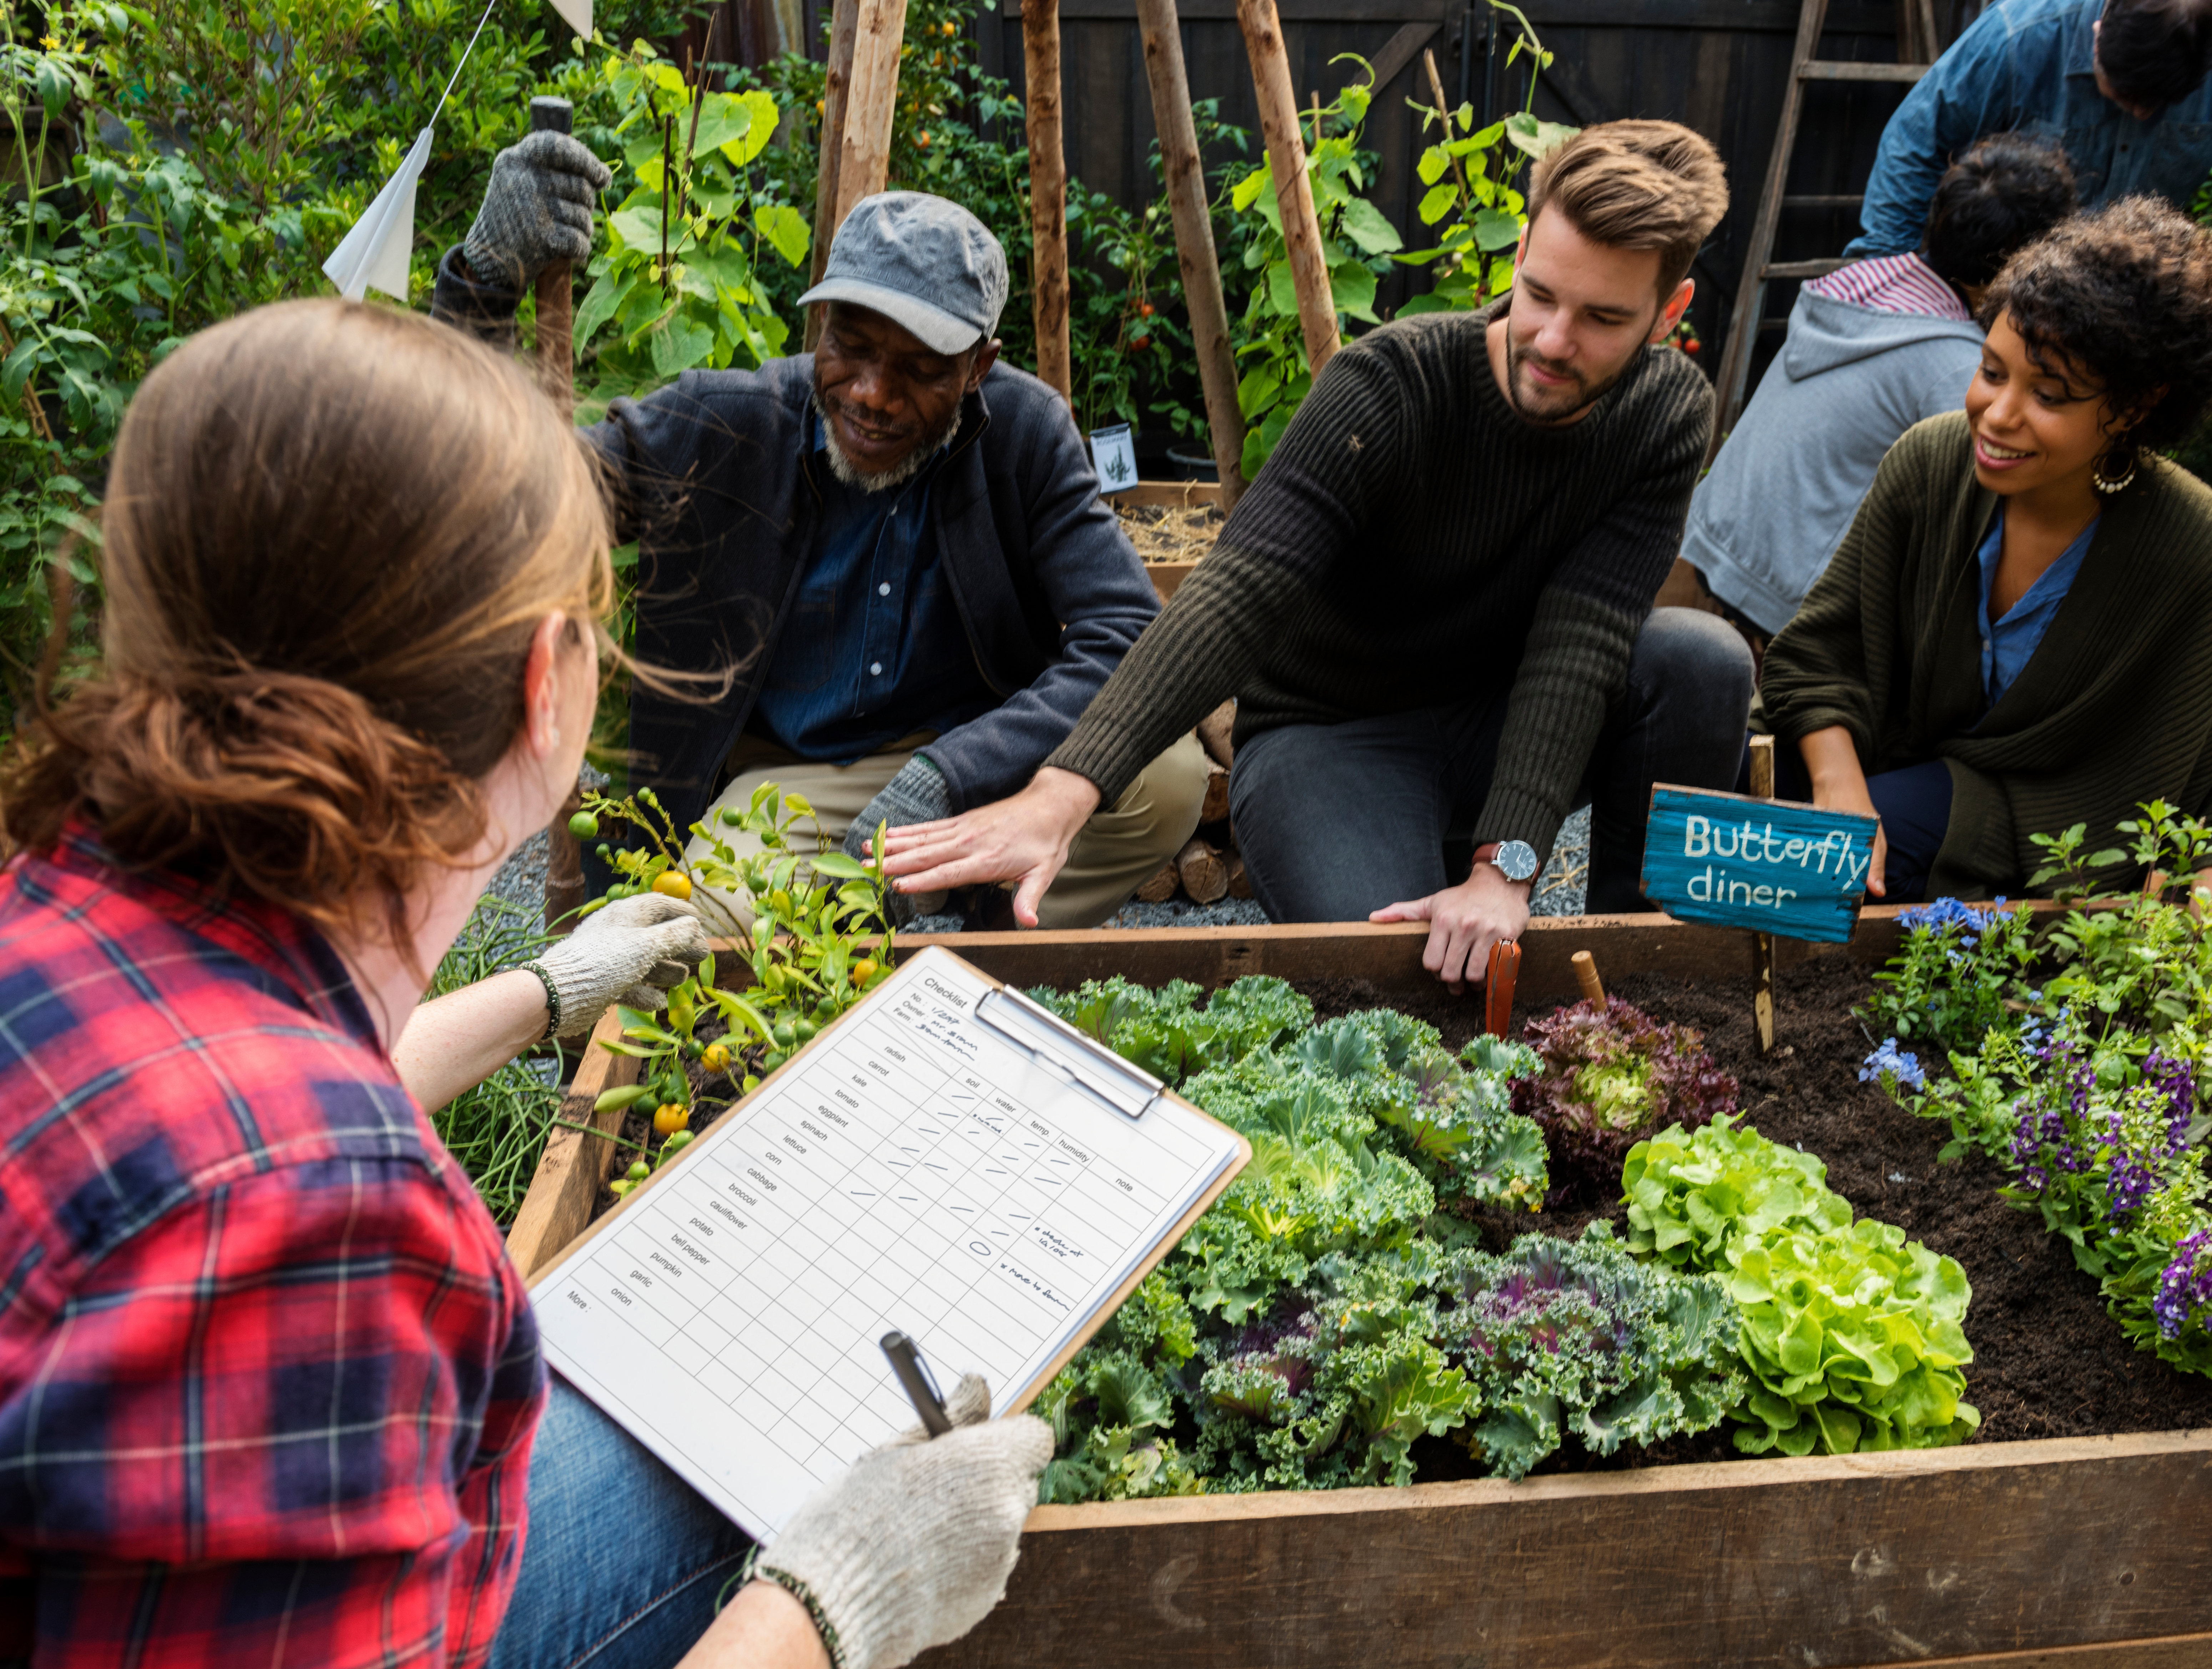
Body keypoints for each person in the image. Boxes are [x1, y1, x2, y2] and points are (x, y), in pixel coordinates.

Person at [0, 298, 1050, 1668]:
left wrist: (545, 991)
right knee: (749, 1464)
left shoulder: (55, 908)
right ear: (546, 687)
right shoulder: (318, 1225)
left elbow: (192, 1108)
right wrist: (830, 1604)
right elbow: (256, 1172)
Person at [873, 121, 1754, 988]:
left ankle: (1640, 980)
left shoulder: (1664, 414)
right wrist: (1065, 789)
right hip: (1332, 741)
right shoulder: (1394, 385)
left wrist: (1507, 870)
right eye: (1541, 294)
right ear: (1520, 250)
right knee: (1397, 998)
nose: (1555, 341)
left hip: (1497, 722)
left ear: (1668, 313)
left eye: (1603, 318)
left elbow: (1580, 647)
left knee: (1697, 661)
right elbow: (1235, 594)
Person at [435, 151, 1208, 933]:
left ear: (979, 368)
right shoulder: (726, 427)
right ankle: (876, 923)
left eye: (919, 368)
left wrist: (952, 773)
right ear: (822, 326)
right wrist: (483, 282)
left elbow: (1128, 631)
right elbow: (499, 502)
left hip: (973, 753)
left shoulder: (1022, 434)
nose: (872, 393)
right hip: (788, 785)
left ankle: (973, 923)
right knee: (704, 927)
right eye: (853, 347)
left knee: (1166, 777)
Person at [1758, 198, 2212, 903]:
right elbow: (1818, 655)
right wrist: (1839, 785)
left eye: (2051, 395)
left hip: (2043, 817)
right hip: (1892, 753)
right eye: (1993, 372)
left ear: (2133, 407)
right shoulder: (1932, 461)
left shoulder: (2191, 541)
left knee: (1858, 863)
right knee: (1751, 804)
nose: (1997, 415)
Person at [1672, 134, 2077, 643]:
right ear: (2021, 262)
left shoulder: (1861, 286)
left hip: (1715, 538)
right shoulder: (1955, 366)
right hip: (1786, 599)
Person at [1848, 0, 2212, 261]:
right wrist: (1887, 271)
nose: (2142, 113)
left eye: (2159, 102)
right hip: (1994, 281)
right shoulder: (2018, 36)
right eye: (2127, 96)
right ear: (2097, 38)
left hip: (2118, 304)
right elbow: (1916, 142)